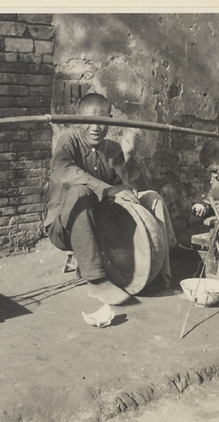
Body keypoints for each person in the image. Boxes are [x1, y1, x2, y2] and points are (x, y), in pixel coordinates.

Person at [44, 93, 176, 305]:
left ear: (111, 119)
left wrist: (131, 157)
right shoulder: (68, 142)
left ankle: (160, 273)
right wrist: (108, 190)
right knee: (80, 192)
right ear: (78, 119)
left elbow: (126, 188)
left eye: (102, 120)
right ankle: (97, 281)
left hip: (100, 225)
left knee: (152, 197)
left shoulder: (113, 149)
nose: (95, 127)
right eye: (88, 121)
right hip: (65, 227)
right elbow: (64, 171)